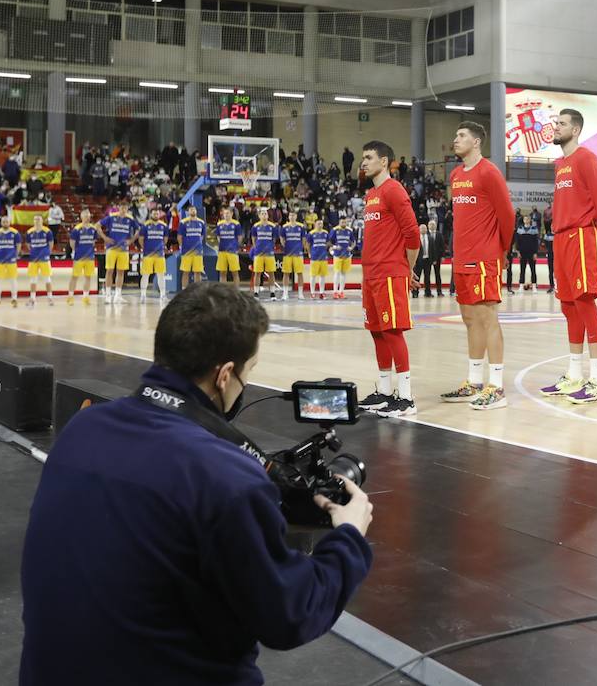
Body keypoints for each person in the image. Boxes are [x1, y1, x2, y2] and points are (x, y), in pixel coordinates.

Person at [19, 283, 374, 685]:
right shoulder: (224, 476)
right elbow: (291, 615)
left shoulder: (82, 427)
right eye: (248, 372)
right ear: (224, 376)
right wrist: (349, 537)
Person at [540, 109, 597, 404]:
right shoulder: (561, 164)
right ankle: (574, 375)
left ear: (577, 130)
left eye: (562, 124)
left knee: (585, 303)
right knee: (569, 307)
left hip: (581, 236)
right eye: (556, 123)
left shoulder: (585, 158)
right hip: (561, 239)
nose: (556, 127)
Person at [441, 121, 515, 410]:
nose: (455, 139)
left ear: (476, 142)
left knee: (488, 319)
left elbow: (507, 215)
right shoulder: (456, 175)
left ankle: (496, 386)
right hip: (462, 257)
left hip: (485, 257)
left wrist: (503, 250)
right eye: (456, 134)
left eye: (461, 136)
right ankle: (474, 382)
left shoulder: (489, 172)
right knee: (470, 319)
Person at [354, 141, 421, 418]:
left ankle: (405, 398)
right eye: (363, 157)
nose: (363, 162)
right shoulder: (372, 194)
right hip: (371, 274)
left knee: (393, 331)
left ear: (384, 161)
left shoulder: (394, 190)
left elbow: (413, 234)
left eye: (368, 157)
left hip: (390, 272)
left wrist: (407, 269)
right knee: (377, 331)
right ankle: (384, 392)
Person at [99, 203, 139, 304]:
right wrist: (105, 238)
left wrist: (131, 240)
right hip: (111, 248)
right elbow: (97, 226)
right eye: (122, 207)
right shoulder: (112, 217)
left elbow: (139, 229)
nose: (123, 209)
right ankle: (108, 295)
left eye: (125, 208)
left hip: (123, 249)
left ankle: (118, 295)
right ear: (118, 208)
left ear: (127, 209)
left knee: (121, 272)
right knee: (109, 271)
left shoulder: (130, 219)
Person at [67, 208, 98, 305]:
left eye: (88, 216)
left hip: (90, 257)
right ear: (81, 217)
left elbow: (93, 242)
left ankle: (85, 297)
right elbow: (72, 243)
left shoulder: (93, 229)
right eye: (85, 216)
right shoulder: (77, 229)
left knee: (88, 277)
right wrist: (77, 251)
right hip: (79, 257)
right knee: (74, 277)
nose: (87, 218)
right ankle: (70, 297)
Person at [139, 208, 170, 302]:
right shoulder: (145, 225)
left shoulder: (164, 225)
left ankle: (163, 295)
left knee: (161, 275)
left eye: (157, 213)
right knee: (145, 275)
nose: (156, 215)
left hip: (160, 254)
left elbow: (165, 239)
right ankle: (143, 295)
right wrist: (146, 249)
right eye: (154, 213)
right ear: (151, 214)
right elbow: (141, 239)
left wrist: (160, 247)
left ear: (159, 214)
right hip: (148, 254)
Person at [22, 215, 54, 306]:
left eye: (38, 219)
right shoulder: (29, 232)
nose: (37, 221)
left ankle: (50, 298)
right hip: (34, 258)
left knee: (47, 278)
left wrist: (47, 252)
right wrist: (33, 251)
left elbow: (51, 243)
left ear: (42, 221)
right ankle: (32, 298)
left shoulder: (47, 231)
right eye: (35, 219)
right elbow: (28, 244)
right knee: (33, 279)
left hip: (44, 258)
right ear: (33, 221)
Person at [248, 208, 279, 301]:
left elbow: (274, 239)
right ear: (259, 215)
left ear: (268, 215)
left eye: (265, 213)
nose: (264, 215)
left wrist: (270, 247)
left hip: (269, 253)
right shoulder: (255, 226)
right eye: (262, 213)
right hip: (258, 253)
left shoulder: (272, 226)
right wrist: (255, 247)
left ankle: (272, 293)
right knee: (257, 273)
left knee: (271, 273)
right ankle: (256, 292)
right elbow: (253, 237)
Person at [0, 215, 21, 307]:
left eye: (6, 222)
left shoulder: (15, 233)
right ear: (1, 223)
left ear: (9, 222)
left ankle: (14, 298)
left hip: (11, 260)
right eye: (3, 222)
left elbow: (18, 245)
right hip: (0, 260)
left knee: (13, 279)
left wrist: (15, 255)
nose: (5, 223)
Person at [177, 204, 207, 293]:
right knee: (185, 272)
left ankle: (198, 291)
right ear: (188, 212)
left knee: (197, 272)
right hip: (186, 251)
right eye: (191, 210)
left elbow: (202, 236)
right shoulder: (183, 222)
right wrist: (182, 246)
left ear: (196, 211)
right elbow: (179, 237)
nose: (193, 211)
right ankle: (184, 291)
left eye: (194, 209)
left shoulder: (201, 222)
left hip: (198, 251)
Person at [279, 212, 308, 301]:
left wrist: (301, 248)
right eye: (290, 215)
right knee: (286, 273)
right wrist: (283, 244)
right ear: (288, 216)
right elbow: (281, 238)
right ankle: (285, 293)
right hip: (287, 253)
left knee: (299, 273)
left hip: (298, 253)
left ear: (296, 216)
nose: (292, 217)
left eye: (293, 215)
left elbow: (303, 239)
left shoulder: (301, 227)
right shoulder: (284, 227)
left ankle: (300, 293)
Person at [215, 206, 242, 288]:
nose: (226, 215)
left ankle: (237, 291)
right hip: (222, 251)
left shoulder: (236, 224)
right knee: (222, 272)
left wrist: (237, 247)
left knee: (235, 272)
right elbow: (218, 236)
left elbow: (239, 237)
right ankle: (223, 292)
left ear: (231, 214)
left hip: (232, 251)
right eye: (225, 213)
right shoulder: (219, 224)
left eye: (228, 213)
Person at [515, 209, 540, 290]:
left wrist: (535, 253)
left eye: (528, 219)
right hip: (522, 253)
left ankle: (534, 285)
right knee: (522, 269)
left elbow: (536, 242)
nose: (526, 220)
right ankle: (521, 286)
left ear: (530, 220)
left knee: (533, 270)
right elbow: (517, 242)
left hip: (531, 253)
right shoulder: (520, 229)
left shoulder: (534, 229)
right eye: (525, 219)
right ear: (523, 220)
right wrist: (518, 252)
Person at [331, 215, 355, 300]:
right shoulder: (335, 230)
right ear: (339, 222)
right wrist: (334, 247)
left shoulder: (349, 230)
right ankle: (335, 292)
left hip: (346, 255)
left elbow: (353, 242)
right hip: (337, 255)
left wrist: (351, 248)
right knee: (337, 273)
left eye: (345, 222)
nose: (343, 223)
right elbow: (330, 242)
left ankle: (341, 292)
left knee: (343, 274)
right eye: (342, 222)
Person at [306, 221, 331, 299]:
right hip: (314, 257)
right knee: (313, 275)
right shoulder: (311, 233)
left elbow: (328, 242)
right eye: (318, 224)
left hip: (323, 257)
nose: (320, 225)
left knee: (322, 276)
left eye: (321, 224)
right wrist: (309, 253)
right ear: (315, 224)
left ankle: (321, 292)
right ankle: (312, 293)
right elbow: (308, 244)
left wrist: (325, 249)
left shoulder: (325, 233)